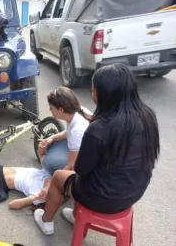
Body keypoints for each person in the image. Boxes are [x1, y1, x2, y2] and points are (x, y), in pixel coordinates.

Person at [33, 63, 160, 235]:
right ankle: (78, 217)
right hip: (135, 192)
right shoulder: (147, 116)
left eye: (93, 90)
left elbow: (81, 169)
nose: (91, 94)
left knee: (59, 177)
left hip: (102, 198)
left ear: (105, 94)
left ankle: (46, 221)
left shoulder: (99, 128)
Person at [37, 87, 91, 175]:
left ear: (61, 109)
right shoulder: (79, 111)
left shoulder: (76, 131)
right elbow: (67, 133)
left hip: (86, 160)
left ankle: (47, 167)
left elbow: (71, 167)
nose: (50, 110)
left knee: (48, 161)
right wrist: (51, 138)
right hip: (83, 150)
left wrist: (41, 154)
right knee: (53, 143)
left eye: (51, 108)